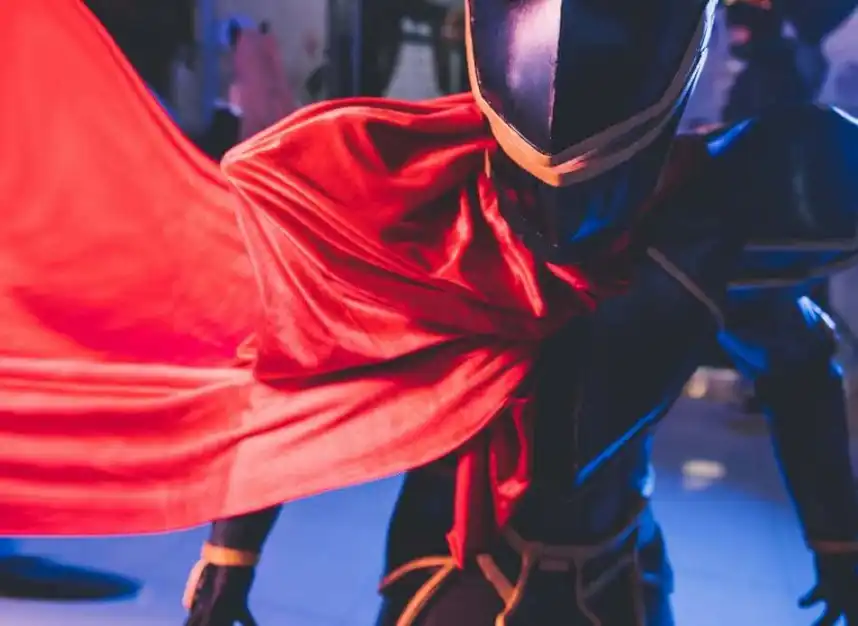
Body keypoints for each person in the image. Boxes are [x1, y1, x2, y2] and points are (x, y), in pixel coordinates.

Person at [1, 2, 858, 626]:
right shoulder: (419, 207)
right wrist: (231, 554)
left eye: (599, 183)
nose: (561, 218)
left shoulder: (706, 223)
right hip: (448, 568)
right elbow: (297, 365)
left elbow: (798, 365)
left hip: (616, 572)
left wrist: (838, 541)